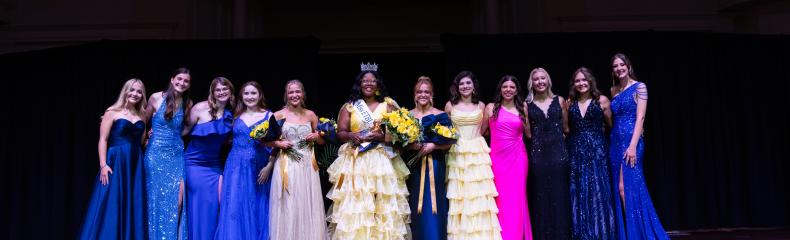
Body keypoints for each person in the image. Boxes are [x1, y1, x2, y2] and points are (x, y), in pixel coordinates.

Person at [325, 64, 411, 239]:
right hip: (357, 160)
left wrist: (381, 136)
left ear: (378, 84)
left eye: (373, 81)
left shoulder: (388, 105)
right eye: (365, 81)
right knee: (358, 203)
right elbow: (340, 133)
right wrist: (352, 135)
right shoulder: (350, 106)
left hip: (382, 160)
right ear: (360, 84)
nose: (369, 84)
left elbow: (399, 134)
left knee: (383, 203)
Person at [608, 53, 669, 239]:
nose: (619, 68)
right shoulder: (613, 90)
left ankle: (640, 234)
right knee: (622, 190)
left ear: (628, 66)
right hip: (615, 143)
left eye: (622, 65)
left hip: (631, 142)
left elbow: (641, 117)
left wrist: (633, 145)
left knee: (625, 188)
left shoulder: (639, 87)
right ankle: (631, 233)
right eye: (615, 66)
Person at [79, 79, 148, 240]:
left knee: (132, 201)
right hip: (116, 161)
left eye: (139, 91)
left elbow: (141, 141)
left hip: (135, 163)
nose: (135, 94)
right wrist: (103, 165)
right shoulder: (112, 111)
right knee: (112, 200)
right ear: (125, 91)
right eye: (132, 90)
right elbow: (103, 139)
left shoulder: (142, 115)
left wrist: (149, 138)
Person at [443, 71, 501, 239]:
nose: (465, 86)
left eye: (468, 83)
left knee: (479, 193)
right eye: (461, 84)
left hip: (477, 153)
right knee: (461, 195)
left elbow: (483, 130)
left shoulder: (481, 106)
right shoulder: (449, 106)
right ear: (457, 87)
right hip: (458, 152)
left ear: (474, 86)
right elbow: (446, 131)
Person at [268, 79, 328, 240]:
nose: (294, 95)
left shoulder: (311, 115)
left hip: (307, 164)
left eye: (297, 91)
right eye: (291, 92)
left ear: (303, 94)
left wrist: (317, 136)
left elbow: (322, 141)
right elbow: (266, 140)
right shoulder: (278, 115)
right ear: (286, 95)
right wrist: (279, 143)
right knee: (289, 202)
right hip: (286, 163)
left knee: (307, 202)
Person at [215, 81, 274, 240]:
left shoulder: (269, 116)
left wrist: (270, 166)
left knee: (257, 204)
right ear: (241, 96)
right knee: (236, 204)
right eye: (246, 93)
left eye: (253, 93)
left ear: (260, 95)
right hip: (235, 166)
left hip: (259, 167)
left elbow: (276, 143)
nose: (250, 96)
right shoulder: (235, 115)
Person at [182, 77, 234, 240]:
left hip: (215, 166)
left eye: (225, 89)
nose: (221, 92)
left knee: (215, 206)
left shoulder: (232, 113)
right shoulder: (200, 108)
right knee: (201, 206)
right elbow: (183, 131)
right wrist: (158, 133)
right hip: (194, 164)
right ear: (213, 92)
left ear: (230, 91)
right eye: (218, 90)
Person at [566, 67, 615, 239]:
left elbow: (611, 124)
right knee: (579, 192)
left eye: (584, 80)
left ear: (590, 81)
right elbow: (566, 128)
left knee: (598, 192)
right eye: (577, 81)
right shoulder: (570, 103)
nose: (581, 83)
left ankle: (601, 234)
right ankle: (583, 234)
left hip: (597, 151)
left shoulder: (602, 100)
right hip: (576, 152)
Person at [144, 68, 192, 239]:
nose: (182, 83)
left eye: (186, 81)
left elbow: (187, 127)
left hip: (176, 156)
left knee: (177, 203)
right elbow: (142, 121)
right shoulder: (156, 97)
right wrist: (146, 137)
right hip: (155, 155)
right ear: (172, 79)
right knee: (155, 201)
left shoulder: (188, 103)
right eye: (179, 79)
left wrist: (177, 136)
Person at [525, 67, 571, 240]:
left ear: (548, 80)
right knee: (541, 197)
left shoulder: (560, 100)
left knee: (560, 195)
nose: (540, 82)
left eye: (543, 78)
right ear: (532, 83)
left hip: (559, 155)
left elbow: (566, 127)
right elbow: (528, 134)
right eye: (536, 79)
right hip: (538, 157)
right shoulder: (526, 105)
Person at [485, 75, 532, 240]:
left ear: (517, 90)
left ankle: (516, 235)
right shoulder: (491, 108)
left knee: (517, 197)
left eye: (512, 87)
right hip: (497, 158)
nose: (508, 90)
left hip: (518, 157)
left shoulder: (523, 107)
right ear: (500, 89)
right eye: (505, 87)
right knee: (500, 197)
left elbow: (528, 134)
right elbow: (482, 131)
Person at [406, 76, 452, 240]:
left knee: (435, 203)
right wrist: (412, 146)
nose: (423, 95)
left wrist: (434, 146)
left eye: (426, 92)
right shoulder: (407, 116)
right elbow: (398, 145)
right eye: (419, 92)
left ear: (432, 95)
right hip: (414, 165)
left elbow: (449, 143)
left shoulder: (441, 115)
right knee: (415, 202)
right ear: (415, 94)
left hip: (435, 164)